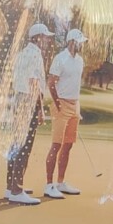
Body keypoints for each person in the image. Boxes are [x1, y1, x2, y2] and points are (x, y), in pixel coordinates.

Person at [6, 22, 53, 205]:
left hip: (19, 99)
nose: (47, 40)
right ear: (37, 38)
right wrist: (40, 109)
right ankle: (17, 190)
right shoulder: (35, 55)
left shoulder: (22, 53)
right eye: (45, 37)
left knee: (16, 143)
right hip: (28, 101)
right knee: (24, 145)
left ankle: (11, 187)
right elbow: (34, 83)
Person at [44, 27, 87, 198]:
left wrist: (77, 107)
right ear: (72, 42)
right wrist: (57, 104)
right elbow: (51, 83)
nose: (82, 45)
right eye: (80, 42)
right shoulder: (60, 59)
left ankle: (60, 182)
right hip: (61, 104)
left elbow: (75, 85)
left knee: (68, 145)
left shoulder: (80, 61)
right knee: (56, 145)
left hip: (74, 104)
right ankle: (49, 185)